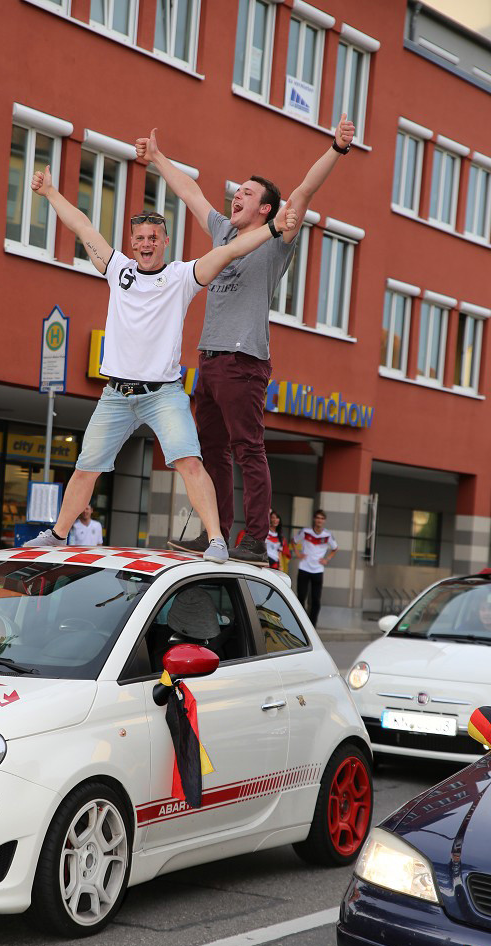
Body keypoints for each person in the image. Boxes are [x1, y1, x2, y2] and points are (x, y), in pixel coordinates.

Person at [23, 164, 297, 564]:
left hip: (162, 394)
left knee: (190, 461)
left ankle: (217, 540)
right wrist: (50, 192)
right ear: (132, 244)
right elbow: (82, 226)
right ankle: (58, 534)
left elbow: (231, 250)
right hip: (116, 393)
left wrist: (273, 230)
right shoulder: (117, 270)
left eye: (153, 237)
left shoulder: (182, 276)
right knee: (86, 468)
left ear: (165, 242)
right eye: (140, 238)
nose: (146, 243)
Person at [135, 116, 355, 564]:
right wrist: (158, 157)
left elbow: (305, 192)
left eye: (248, 193)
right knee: (208, 450)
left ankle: (256, 538)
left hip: (244, 360)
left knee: (248, 448)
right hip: (209, 361)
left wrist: (337, 147)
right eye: (238, 190)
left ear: (266, 210)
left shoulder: (277, 240)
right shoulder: (223, 231)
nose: (238, 195)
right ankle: (215, 532)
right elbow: (190, 193)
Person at [293, 509, 338, 627]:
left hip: (318, 570)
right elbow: (293, 541)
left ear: (324, 521)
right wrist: (297, 553)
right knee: (301, 596)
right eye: (318, 518)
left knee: (315, 599)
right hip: (304, 568)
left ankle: (312, 625)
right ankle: (300, 623)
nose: (319, 520)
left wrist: (327, 559)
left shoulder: (327, 534)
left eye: (322, 518)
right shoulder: (305, 531)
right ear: (314, 519)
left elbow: (335, 548)